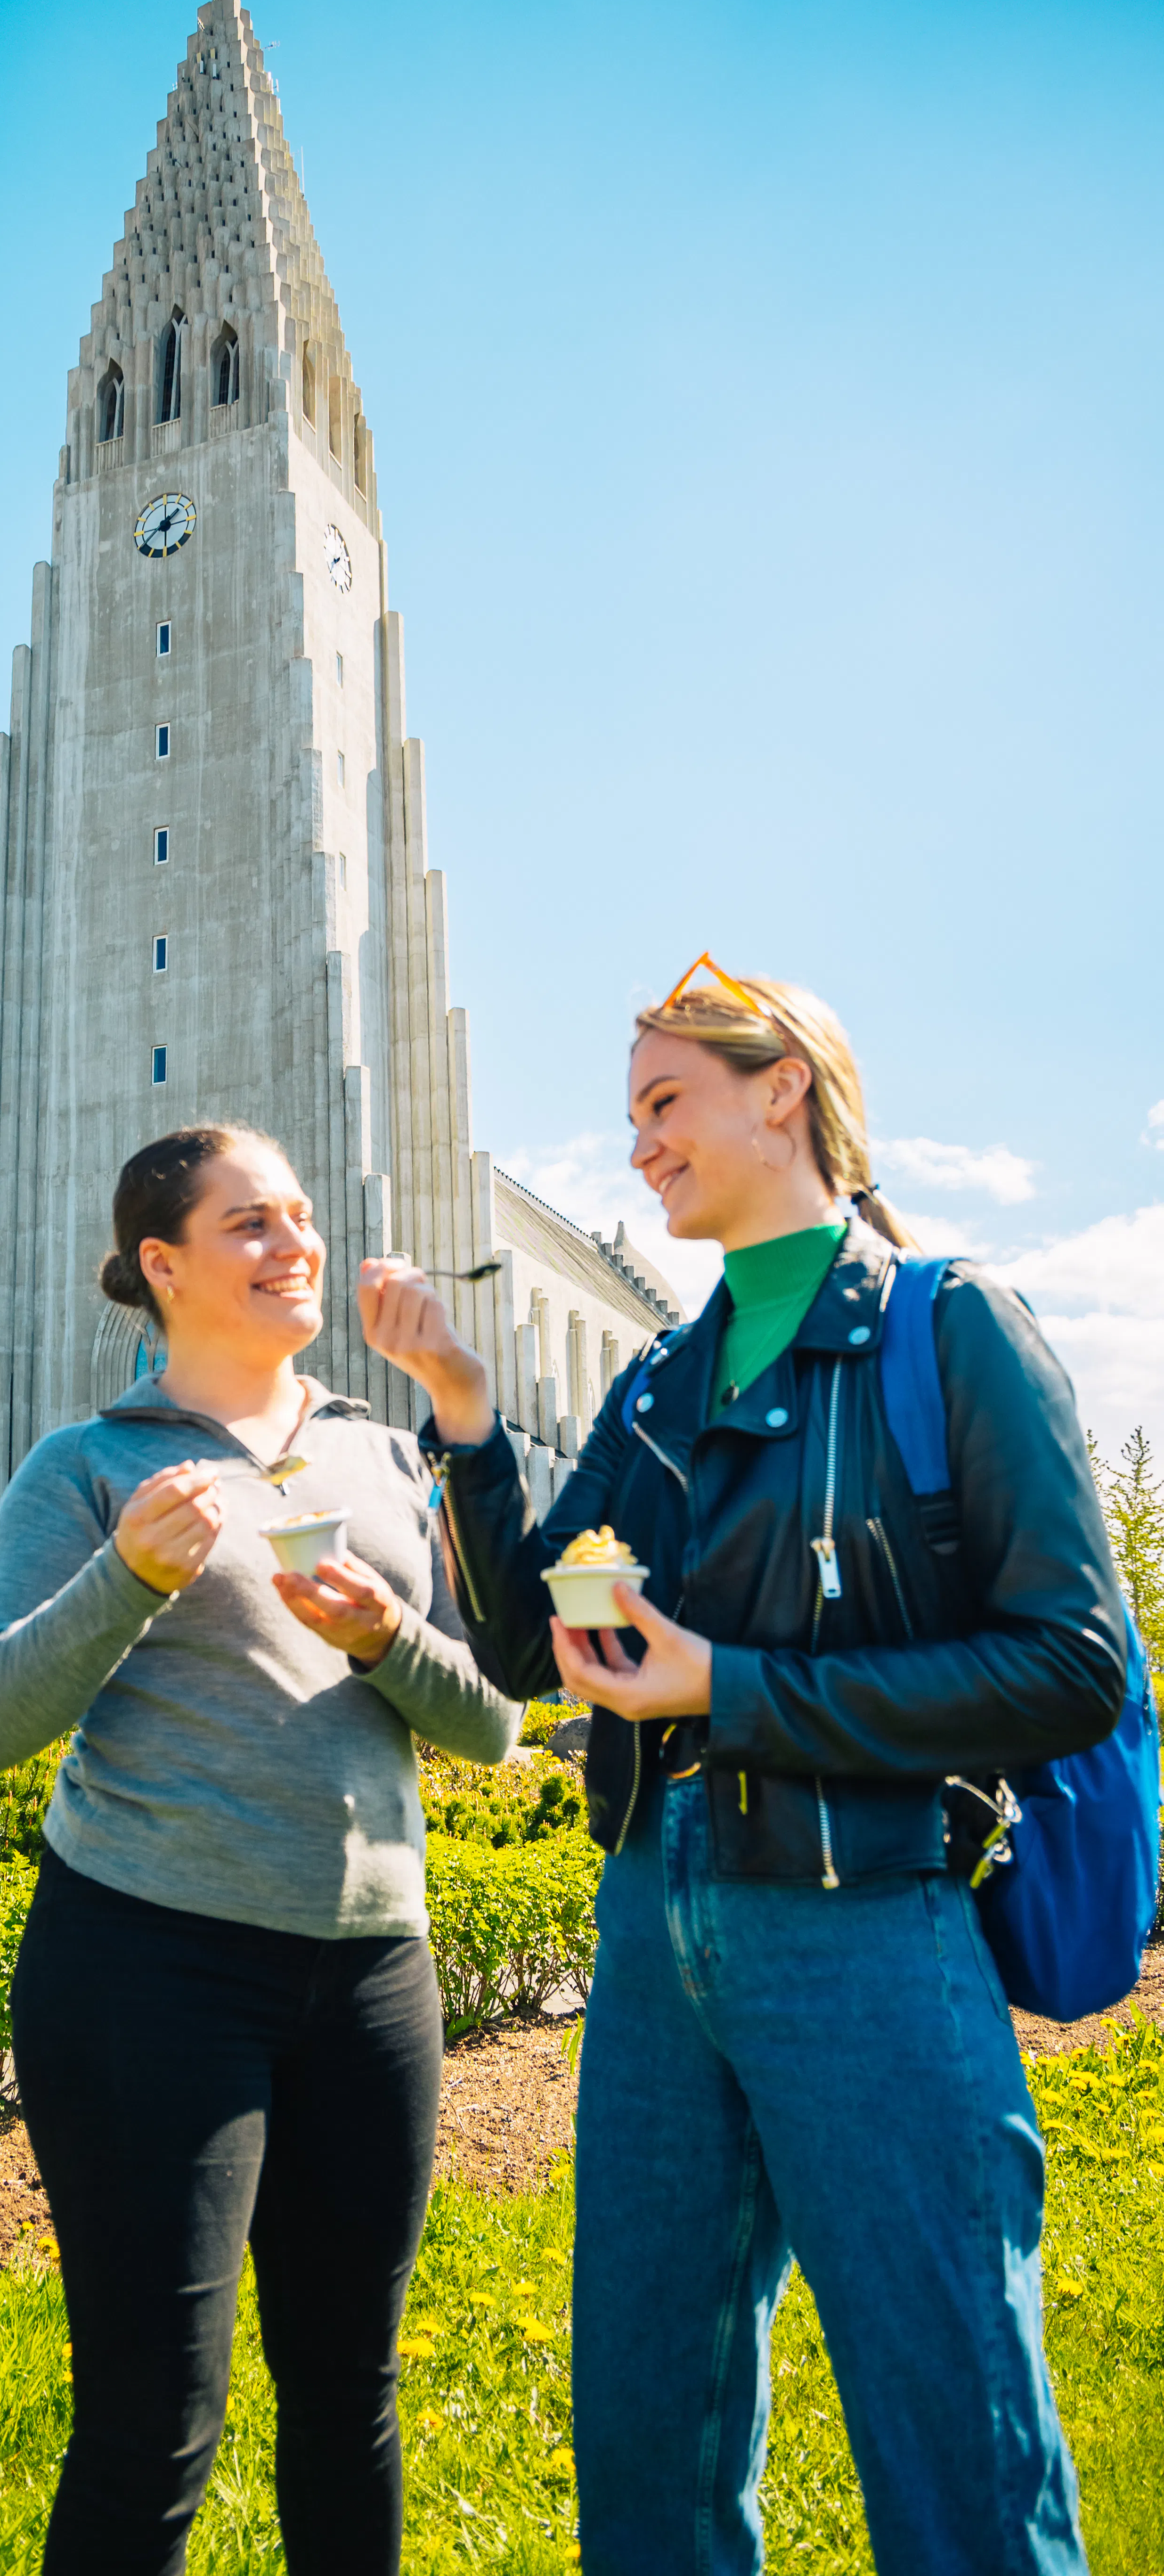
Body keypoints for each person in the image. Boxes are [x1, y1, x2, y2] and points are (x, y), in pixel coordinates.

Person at [358, 959, 1126, 2576]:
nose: (638, 1144)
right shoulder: (662, 1378)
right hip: (653, 1929)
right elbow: (515, 1654)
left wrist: (739, 1688)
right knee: (647, 2434)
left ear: (783, 1088)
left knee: (955, 2440)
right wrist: (469, 1423)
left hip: (869, 1928)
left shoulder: (951, 1327)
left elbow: (1073, 1668)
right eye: (631, 1113)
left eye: (664, 1103)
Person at [0, 1121, 521, 2576]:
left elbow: (498, 1726)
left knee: (352, 2398)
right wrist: (126, 1576)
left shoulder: (390, 1458)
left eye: (303, 1217)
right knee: (152, 2419)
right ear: (164, 1264)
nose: (297, 1245)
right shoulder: (88, 1467)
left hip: (375, 1979)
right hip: (148, 1972)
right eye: (252, 1223)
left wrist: (388, 1636)